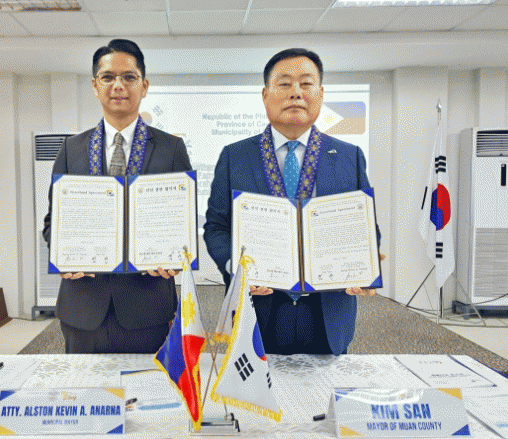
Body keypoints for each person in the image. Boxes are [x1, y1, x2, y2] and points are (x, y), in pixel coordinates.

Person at [204, 48, 382, 356]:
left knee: (324, 386)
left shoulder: (349, 156)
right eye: (284, 84)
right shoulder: (235, 156)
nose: (296, 93)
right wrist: (236, 269)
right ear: (265, 95)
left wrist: (364, 264)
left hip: (327, 310)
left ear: (321, 94)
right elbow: (217, 227)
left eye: (306, 83)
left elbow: (365, 227)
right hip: (258, 307)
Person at [43, 39, 192, 354]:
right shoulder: (71, 149)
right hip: (82, 305)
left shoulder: (171, 149)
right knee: (84, 384)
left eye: (129, 77)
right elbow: (52, 223)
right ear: (95, 86)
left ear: (144, 86)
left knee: (148, 384)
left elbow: (182, 225)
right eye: (108, 77)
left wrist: (174, 259)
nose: (118, 85)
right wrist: (62, 255)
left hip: (147, 306)